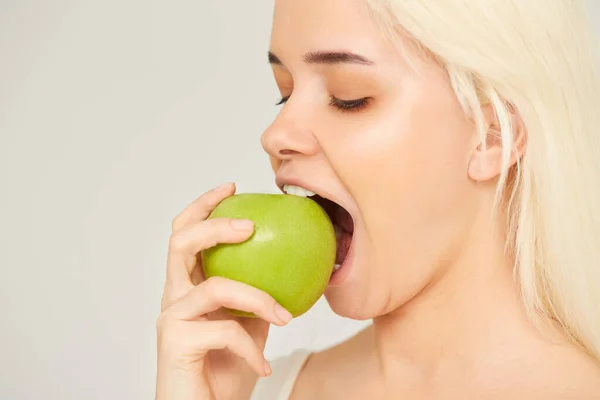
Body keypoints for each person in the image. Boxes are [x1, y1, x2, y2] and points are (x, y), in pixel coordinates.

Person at [155, 0, 600, 398]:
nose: (275, 136)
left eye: (348, 98)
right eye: (285, 94)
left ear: (491, 137)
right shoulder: (257, 388)